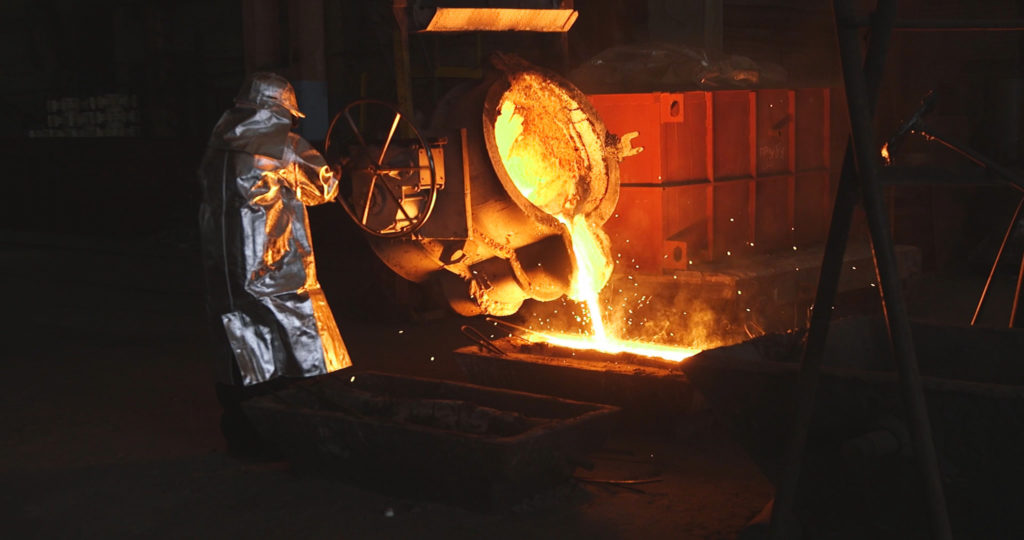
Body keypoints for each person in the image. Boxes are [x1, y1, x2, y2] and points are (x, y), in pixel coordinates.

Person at [198, 72, 351, 455]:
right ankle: (295, 439)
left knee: (241, 356)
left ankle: (245, 442)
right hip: (275, 274)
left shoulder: (217, 145)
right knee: (296, 357)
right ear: (282, 109)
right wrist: (343, 168)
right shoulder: (285, 145)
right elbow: (324, 188)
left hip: (226, 274)